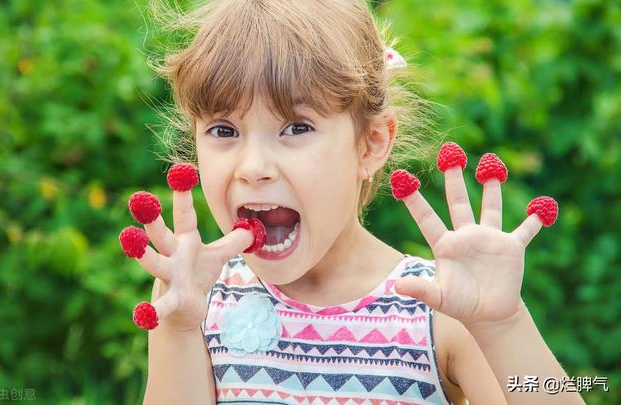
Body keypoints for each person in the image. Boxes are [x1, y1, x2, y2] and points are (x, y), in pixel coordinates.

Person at [125, 0, 586, 403]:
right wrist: (181, 328)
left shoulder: (441, 308)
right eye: (224, 131)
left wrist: (503, 326)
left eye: (296, 128)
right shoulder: (195, 298)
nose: (253, 167)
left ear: (370, 144)